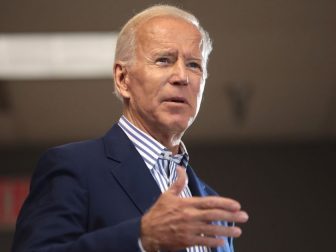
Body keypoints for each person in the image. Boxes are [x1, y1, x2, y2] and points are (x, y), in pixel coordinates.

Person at [11, 5, 248, 252]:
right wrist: (141, 237)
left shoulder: (214, 211)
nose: (182, 76)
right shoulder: (74, 168)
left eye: (194, 65)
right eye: (164, 60)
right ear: (123, 79)